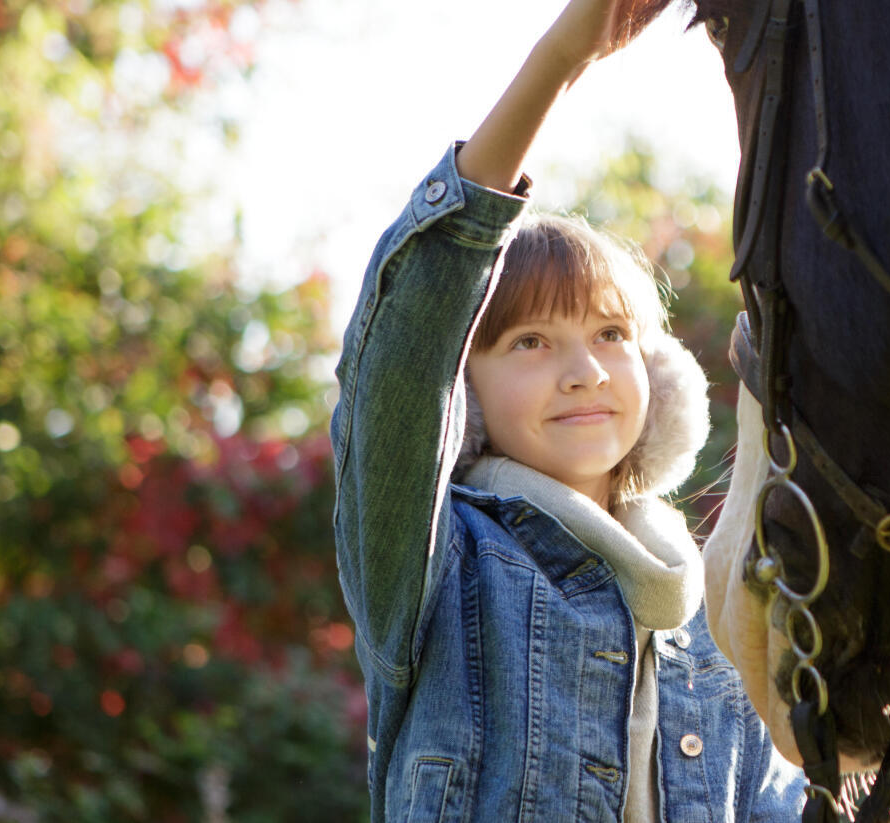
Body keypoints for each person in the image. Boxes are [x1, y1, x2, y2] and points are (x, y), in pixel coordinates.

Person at [329, 1, 804, 820]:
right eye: (530, 342)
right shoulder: (438, 562)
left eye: (612, 333)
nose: (585, 372)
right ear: (463, 392)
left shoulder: (720, 615)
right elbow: (404, 350)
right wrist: (561, 55)